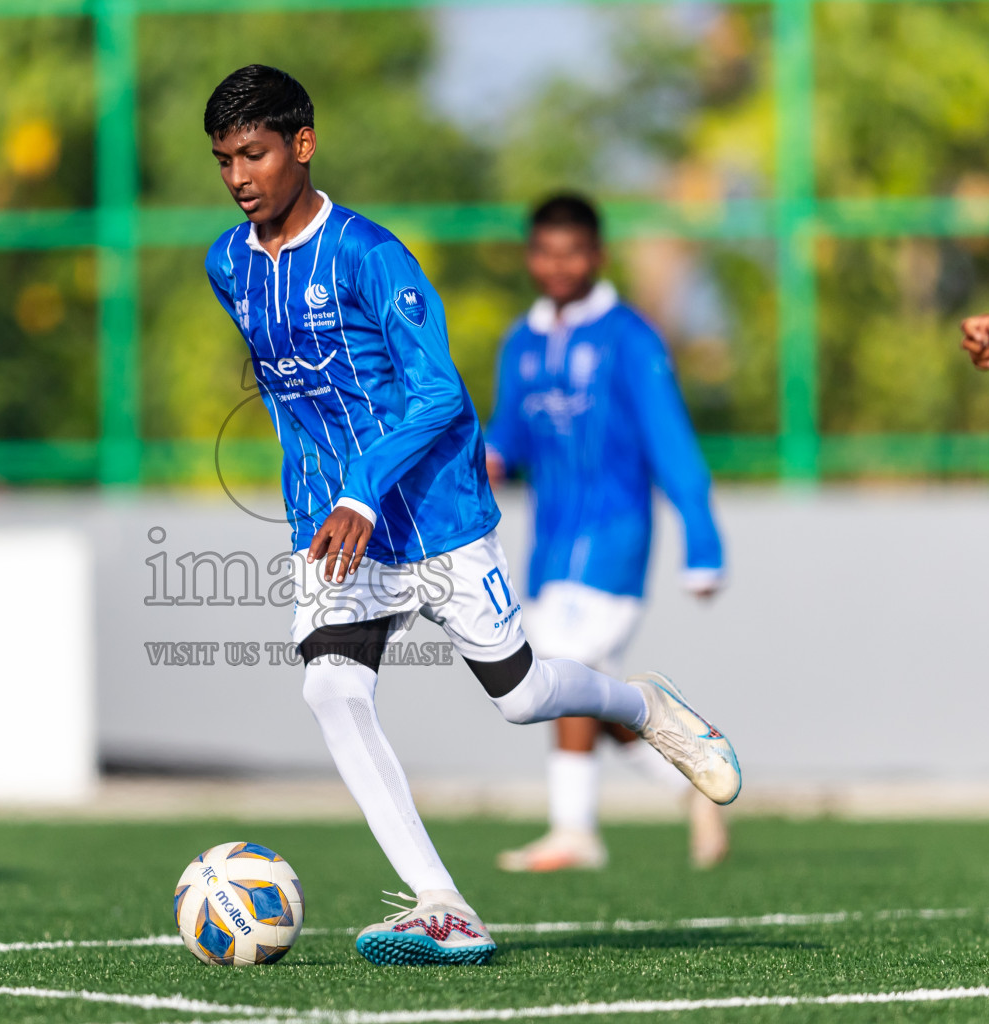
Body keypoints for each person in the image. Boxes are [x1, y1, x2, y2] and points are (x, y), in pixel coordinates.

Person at [201, 65, 741, 967]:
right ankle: (442, 904)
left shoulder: (372, 257)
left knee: (523, 696)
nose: (239, 176)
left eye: (254, 153)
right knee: (331, 689)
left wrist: (359, 487)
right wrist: (321, 498)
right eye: (223, 161)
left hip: (433, 515)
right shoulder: (227, 264)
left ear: (302, 145)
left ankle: (643, 705)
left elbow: (439, 393)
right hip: (335, 530)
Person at [486, 194, 730, 874]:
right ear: (531, 257)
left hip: (617, 535)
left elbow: (672, 444)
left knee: (560, 669)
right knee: (575, 690)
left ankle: (574, 831)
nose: (557, 265)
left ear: (597, 256)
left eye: (572, 252)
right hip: (549, 548)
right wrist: (489, 459)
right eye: (544, 252)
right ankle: (692, 776)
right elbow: (509, 432)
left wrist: (703, 545)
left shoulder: (631, 338)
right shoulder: (522, 342)